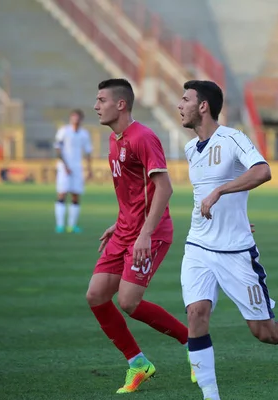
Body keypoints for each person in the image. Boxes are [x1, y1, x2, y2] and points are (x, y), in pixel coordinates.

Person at [178, 80, 278, 400]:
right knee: (196, 314)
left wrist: (221, 191)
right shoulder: (189, 149)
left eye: (185, 99)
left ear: (203, 106)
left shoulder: (233, 138)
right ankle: (211, 396)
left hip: (236, 252)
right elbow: (202, 197)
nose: (179, 105)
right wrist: (226, 209)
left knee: (264, 332)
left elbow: (263, 171)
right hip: (197, 246)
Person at [88, 78, 190, 394]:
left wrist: (144, 233)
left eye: (101, 99)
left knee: (129, 301)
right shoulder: (113, 140)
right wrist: (118, 223)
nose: (96, 106)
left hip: (152, 232)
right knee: (96, 296)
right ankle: (138, 363)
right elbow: (132, 193)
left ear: (121, 104)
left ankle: (193, 340)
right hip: (125, 231)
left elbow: (165, 188)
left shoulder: (143, 137)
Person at [54, 109, 93, 233]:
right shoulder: (63, 131)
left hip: (77, 167)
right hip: (63, 167)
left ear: (81, 119)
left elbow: (87, 152)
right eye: (73, 117)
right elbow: (58, 149)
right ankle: (60, 225)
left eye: (78, 118)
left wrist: (89, 169)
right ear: (71, 118)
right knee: (62, 193)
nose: (75, 120)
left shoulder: (84, 134)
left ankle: (72, 225)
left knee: (76, 195)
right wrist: (65, 166)